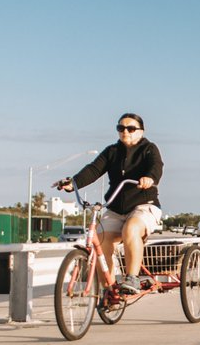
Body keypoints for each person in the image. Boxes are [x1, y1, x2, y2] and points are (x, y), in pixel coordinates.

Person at [54, 113, 163, 295]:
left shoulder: (149, 149)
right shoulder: (112, 151)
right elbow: (93, 169)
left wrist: (149, 178)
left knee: (131, 229)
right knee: (102, 242)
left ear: (141, 131)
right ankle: (109, 291)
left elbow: (156, 166)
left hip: (143, 205)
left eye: (130, 128)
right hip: (116, 207)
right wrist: (73, 183)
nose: (125, 132)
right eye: (120, 128)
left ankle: (132, 278)